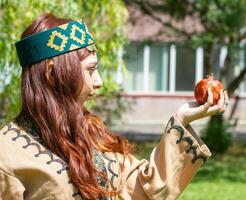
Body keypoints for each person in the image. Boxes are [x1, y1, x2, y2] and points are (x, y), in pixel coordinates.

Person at [0, 13, 229, 200]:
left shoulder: (89, 134)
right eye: (90, 70)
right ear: (51, 74)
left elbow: (144, 189)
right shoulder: (7, 155)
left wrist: (182, 119)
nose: (99, 81)